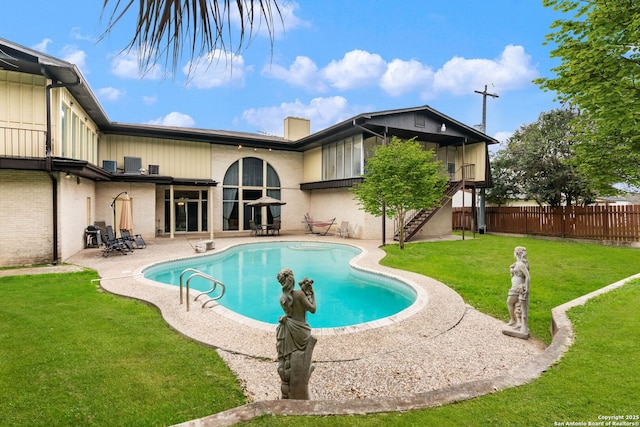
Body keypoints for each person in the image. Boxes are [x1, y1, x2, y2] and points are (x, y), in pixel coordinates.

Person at [275, 269, 317, 399]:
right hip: (302, 333)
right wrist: (311, 292)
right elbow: (313, 309)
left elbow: (289, 314)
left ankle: (288, 391)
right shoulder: (299, 294)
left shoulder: (282, 299)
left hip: (289, 330)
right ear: (292, 279)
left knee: (287, 361)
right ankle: (300, 391)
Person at [506, 246, 530, 336]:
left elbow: (527, 276)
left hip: (517, 287)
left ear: (516, 253)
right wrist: (511, 269)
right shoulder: (517, 263)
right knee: (516, 304)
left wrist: (526, 287)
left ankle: (513, 320)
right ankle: (519, 322)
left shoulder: (520, 264)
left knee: (509, 302)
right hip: (515, 285)